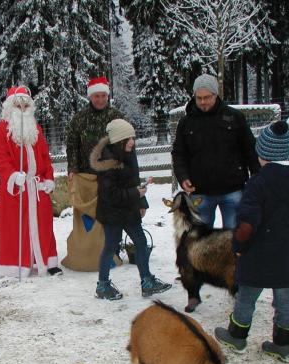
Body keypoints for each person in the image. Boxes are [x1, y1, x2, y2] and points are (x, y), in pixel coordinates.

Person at [213, 121, 289, 363]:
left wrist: (238, 248)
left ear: (262, 153)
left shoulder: (258, 183)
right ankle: (283, 344)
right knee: (285, 298)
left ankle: (237, 336)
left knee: (246, 296)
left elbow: (247, 223)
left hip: (257, 255)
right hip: (286, 254)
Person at [89, 119, 172, 300]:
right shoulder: (107, 161)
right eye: (128, 139)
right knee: (111, 245)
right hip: (112, 212)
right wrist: (135, 194)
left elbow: (134, 180)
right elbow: (110, 193)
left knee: (141, 242)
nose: (132, 142)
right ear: (118, 140)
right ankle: (102, 285)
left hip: (129, 209)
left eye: (133, 138)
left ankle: (147, 281)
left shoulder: (129, 153)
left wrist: (141, 202)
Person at [171, 73, 260, 229]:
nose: (203, 102)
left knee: (234, 239)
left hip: (233, 189)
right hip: (200, 192)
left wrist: (256, 179)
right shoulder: (186, 123)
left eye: (207, 97)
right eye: (199, 98)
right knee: (202, 243)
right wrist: (183, 177)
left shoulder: (234, 117)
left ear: (216, 95)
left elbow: (250, 150)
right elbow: (179, 154)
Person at [0, 86, 62, 278]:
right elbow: (1, 158)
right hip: (16, 188)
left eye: (25, 105)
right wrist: (14, 175)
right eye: (17, 104)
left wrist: (48, 178)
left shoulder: (36, 129)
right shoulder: (1, 130)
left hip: (36, 187)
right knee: (15, 227)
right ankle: (14, 266)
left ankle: (48, 261)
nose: (21, 108)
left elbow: (45, 157)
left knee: (44, 224)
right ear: (10, 106)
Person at [62, 76, 125, 271]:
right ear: (90, 97)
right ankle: (85, 254)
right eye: (96, 96)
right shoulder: (79, 118)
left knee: (109, 217)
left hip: (109, 175)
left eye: (103, 95)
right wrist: (72, 168)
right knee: (86, 218)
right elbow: (72, 145)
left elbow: (124, 144)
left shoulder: (116, 117)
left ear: (107, 95)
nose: (100, 100)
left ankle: (109, 252)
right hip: (85, 177)